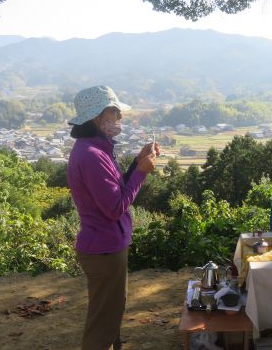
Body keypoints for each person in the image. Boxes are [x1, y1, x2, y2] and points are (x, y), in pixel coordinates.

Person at [67, 85, 159, 350]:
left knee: (110, 314)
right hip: (104, 249)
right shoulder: (92, 155)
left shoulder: (96, 149)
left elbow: (114, 189)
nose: (119, 118)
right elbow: (115, 207)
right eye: (114, 112)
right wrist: (141, 172)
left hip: (106, 245)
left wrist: (136, 163)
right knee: (102, 323)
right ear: (97, 117)